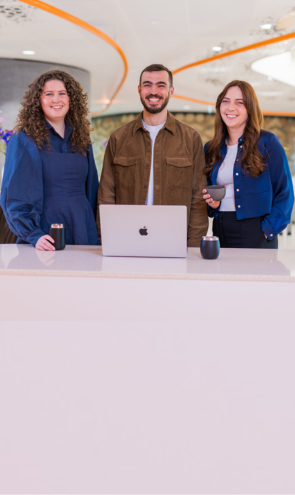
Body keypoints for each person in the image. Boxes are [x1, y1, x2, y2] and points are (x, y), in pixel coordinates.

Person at [97, 63, 208, 247]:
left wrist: (195, 245)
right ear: (139, 90)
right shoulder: (119, 138)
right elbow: (106, 194)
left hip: (174, 241)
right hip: (126, 240)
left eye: (161, 85)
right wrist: (106, 239)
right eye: (147, 85)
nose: (153, 91)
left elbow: (198, 198)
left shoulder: (191, 139)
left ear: (171, 91)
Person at [1, 69, 99, 250]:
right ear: (38, 100)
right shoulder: (24, 139)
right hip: (46, 231)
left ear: (71, 99)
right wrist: (33, 234)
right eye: (49, 94)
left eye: (62, 93)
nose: (56, 99)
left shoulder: (82, 140)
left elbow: (92, 189)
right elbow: (13, 194)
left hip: (84, 228)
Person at [203, 80, 294, 249]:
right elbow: (208, 192)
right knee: (224, 276)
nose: (231, 108)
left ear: (250, 109)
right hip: (221, 227)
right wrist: (213, 206)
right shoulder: (211, 148)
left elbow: (285, 192)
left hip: (257, 231)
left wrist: (268, 229)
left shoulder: (267, 142)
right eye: (226, 101)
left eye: (240, 103)